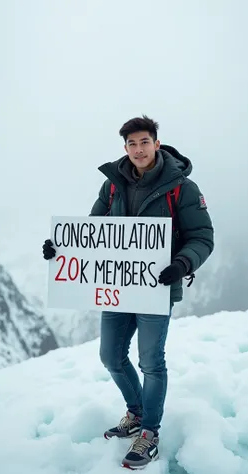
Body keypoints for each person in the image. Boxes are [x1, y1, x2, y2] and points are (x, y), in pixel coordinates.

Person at [42, 115, 214, 469]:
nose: (138, 149)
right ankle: (136, 413)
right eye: (132, 144)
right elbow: (92, 233)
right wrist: (61, 249)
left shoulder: (183, 188)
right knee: (111, 356)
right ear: (125, 148)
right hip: (118, 287)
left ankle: (149, 431)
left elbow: (202, 237)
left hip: (156, 287)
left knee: (151, 361)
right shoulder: (113, 186)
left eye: (144, 142)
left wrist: (182, 264)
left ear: (157, 144)